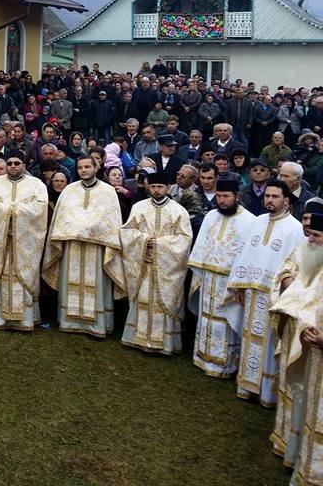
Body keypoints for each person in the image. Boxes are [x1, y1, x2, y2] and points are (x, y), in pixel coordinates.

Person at [226, 179, 304, 406]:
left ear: (286, 200)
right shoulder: (258, 221)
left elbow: (294, 267)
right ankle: (247, 385)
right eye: (267, 196)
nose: (269, 200)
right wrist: (240, 285)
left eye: (275, 196)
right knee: (250, 337)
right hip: (251, 293)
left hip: (274, 296)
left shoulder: (295, 229)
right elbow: (245, 253)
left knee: (270, 341)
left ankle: (267, 392)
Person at [42, 156, 125, 337]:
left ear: (96, 167)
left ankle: (96, 324)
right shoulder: (69, 191)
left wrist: (85, 228)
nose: (84, 170)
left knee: (96, 284)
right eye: (80, 167)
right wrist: (79, 228)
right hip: (72, 246)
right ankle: (69, 321)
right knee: (70, 282)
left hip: (97, 248)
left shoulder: (108, 192)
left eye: (88, 166)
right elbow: (61, 218)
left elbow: (110, 221)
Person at [116, 173, 193, 354]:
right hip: (143, 264)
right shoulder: (138, 207)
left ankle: (164, 344)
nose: (157, 190)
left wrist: (158, 243)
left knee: (163, 301)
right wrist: (143, 239)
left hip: (167, 268)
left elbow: (185, 239)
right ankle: (137, 338)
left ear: (167, 187)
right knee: (141, 299)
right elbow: (126, 231)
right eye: (153, 186)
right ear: (148, 187)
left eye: (160, 186)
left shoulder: (179, 211)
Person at [187, 179, 257, 377]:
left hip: (231, 282)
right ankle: (203, 357)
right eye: (219, 196)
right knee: (207, 317)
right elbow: (202, 245)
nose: (222, 200)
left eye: (226, 196)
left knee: (227, 319)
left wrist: (241, 284)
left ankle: (227, 364)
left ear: (237, 197)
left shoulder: (250, 221)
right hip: (209, 278)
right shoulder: (211, 215)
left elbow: (249, 255)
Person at [0, 150, 49, 330]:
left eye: (16, 163)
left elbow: (39, 208)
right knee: (0, 276)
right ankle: (0, 318)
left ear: (24, 165)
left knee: (25, 277)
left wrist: (12, 210)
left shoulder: (37, 185)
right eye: (9, 163)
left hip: (25, 242)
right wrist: (10, 210)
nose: (12, 166)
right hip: (1, 241)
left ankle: (26, 318)